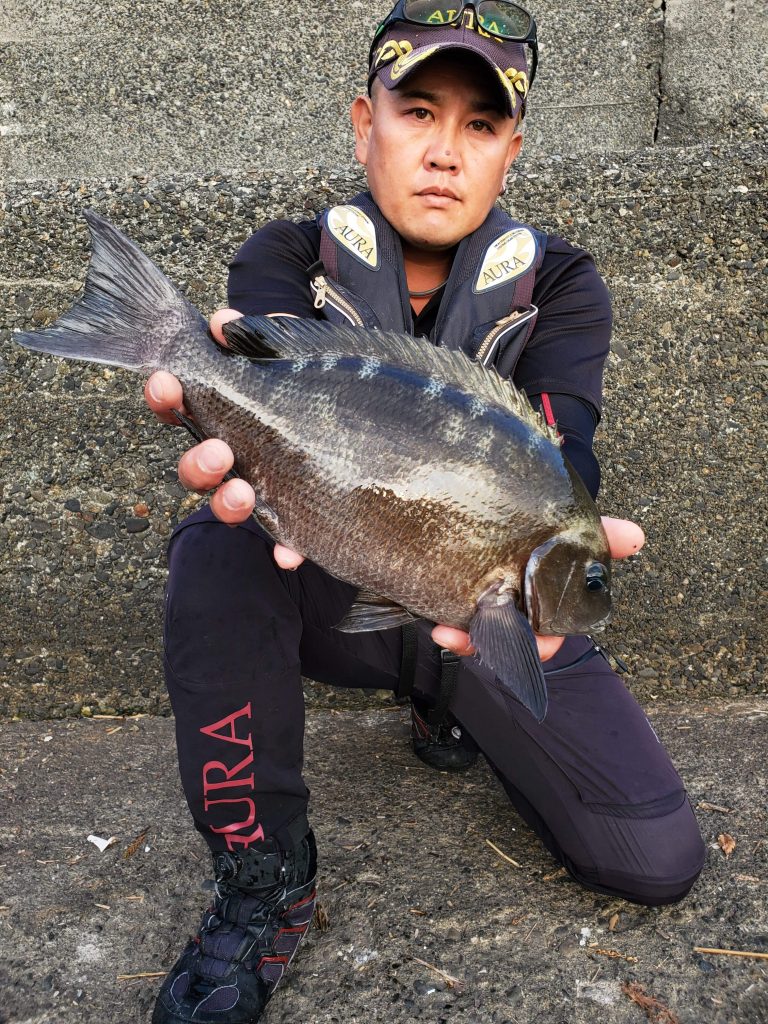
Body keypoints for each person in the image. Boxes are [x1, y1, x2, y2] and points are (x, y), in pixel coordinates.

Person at [145, 4, 706, 1021]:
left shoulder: (563, 285)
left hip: (483, 606)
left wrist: (552, 573)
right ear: (365, 124)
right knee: (218, 540)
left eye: (481, 125)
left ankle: (449, 699)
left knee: (654, 854)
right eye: (418, 113)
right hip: (325, 573)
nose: (446, 152)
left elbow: (561, 450)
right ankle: (267, 879)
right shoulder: (289, 255)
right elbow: (256, 393)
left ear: (513, 150)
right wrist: (202, 380)